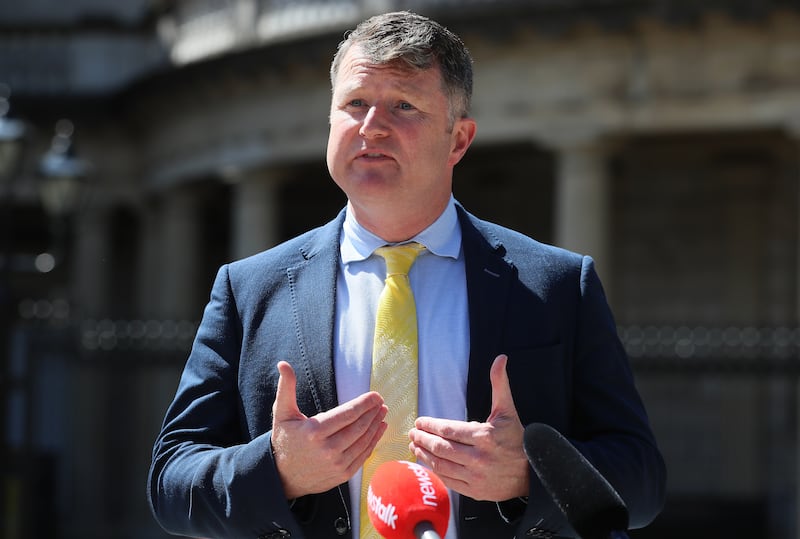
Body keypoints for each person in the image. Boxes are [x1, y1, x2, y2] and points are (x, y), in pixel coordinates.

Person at [147, 10, 666, 539]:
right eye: (353, 104)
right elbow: (170, 482)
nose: (371, 126)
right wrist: (277, 470)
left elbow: (641, 482)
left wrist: (529, 475)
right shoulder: (248, 289)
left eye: (403, 105)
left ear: (458, 140)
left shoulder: (557, 286)